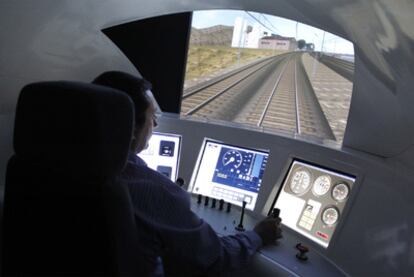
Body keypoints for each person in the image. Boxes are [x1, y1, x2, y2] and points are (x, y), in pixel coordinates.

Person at [93, 71, 282, 276]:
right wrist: (257, 235)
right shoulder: (154, 190)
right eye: (152, 116)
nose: (155, 124)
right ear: (129, 127)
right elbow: (216, 256)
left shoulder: (61, 167)